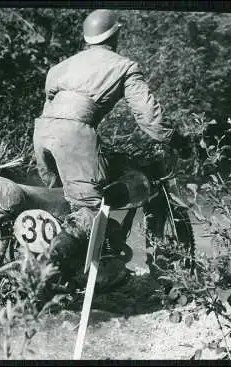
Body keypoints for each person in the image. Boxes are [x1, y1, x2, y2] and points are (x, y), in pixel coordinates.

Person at [33, 9, 190, 281]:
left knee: (63, 201)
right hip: (75, 136)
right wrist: (176, 140)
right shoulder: (124, 66)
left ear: (87, 38)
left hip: (42, 133)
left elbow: (54, 107)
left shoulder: (60, 67)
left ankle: (78, 265)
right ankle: (45, 268)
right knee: (90, 212)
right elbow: (149, 117)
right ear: (115, 34)